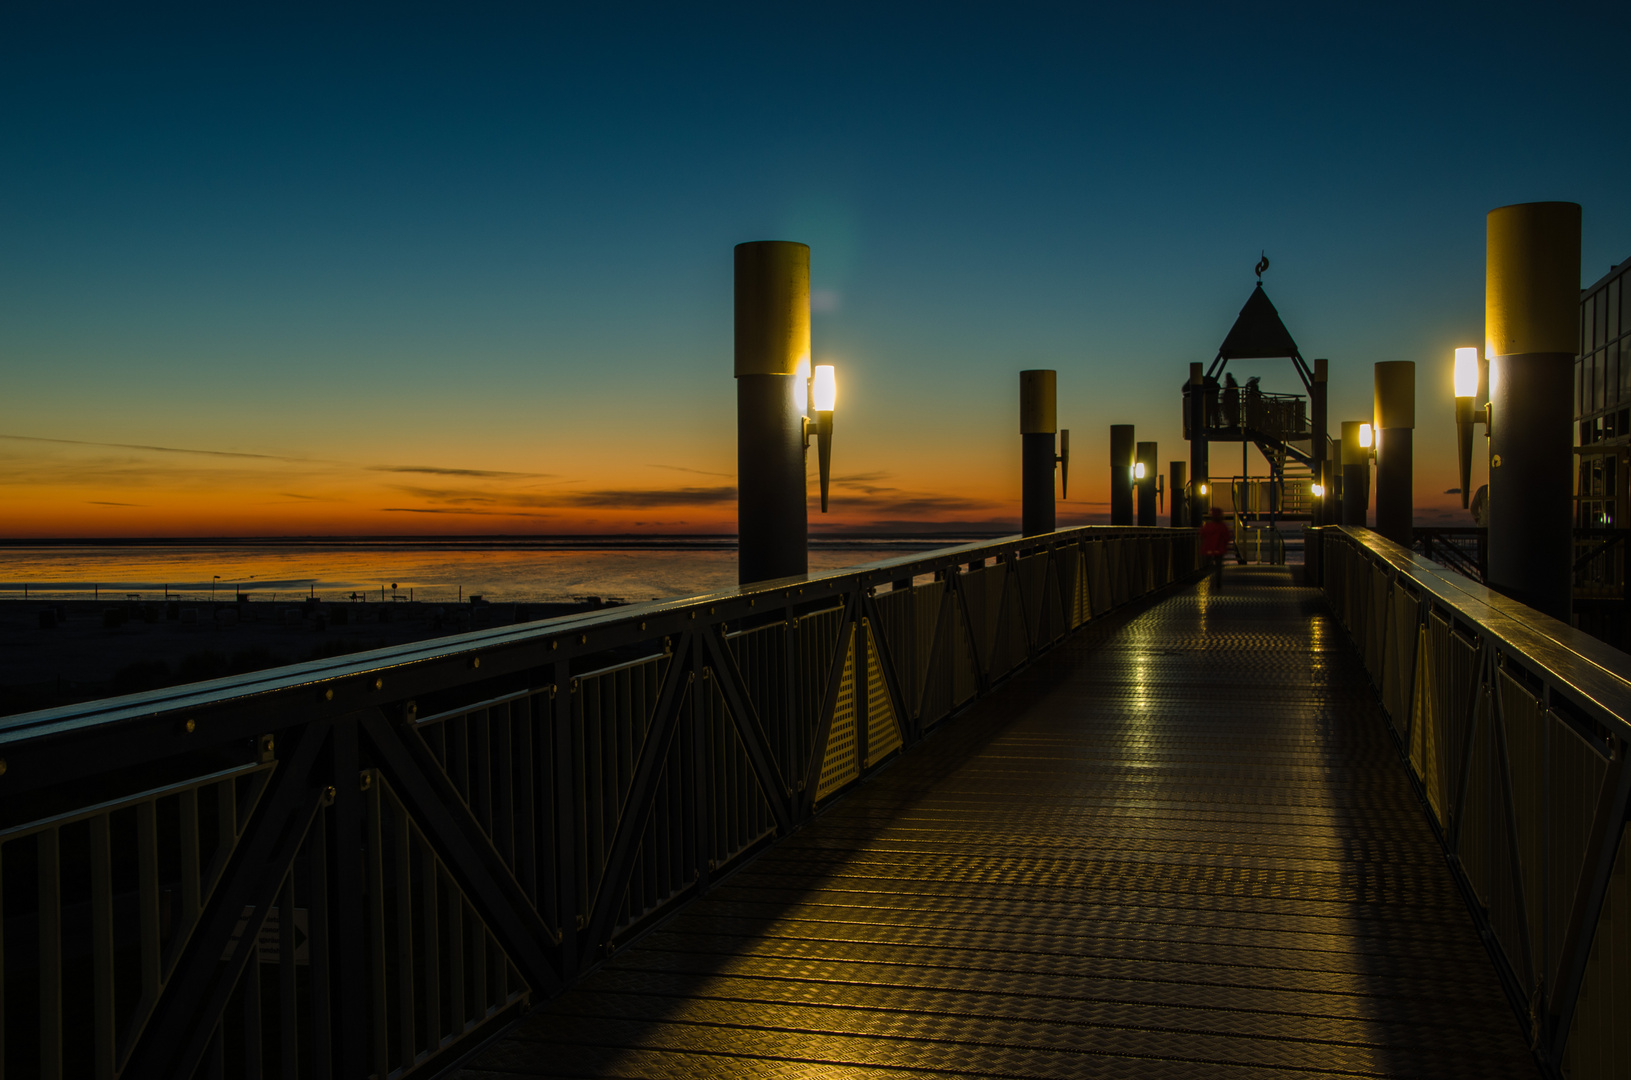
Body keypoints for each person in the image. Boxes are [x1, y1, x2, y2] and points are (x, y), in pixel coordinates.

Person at [1200, 506, 1232, 591]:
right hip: (1219, 549)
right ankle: (1217, 583)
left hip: (1208, 549)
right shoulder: (1223, 526)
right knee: (1218, 567)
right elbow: (1227, 537)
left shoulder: (1208, 526)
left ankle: (1209, 581)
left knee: (1208, 566)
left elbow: (1202, 533)